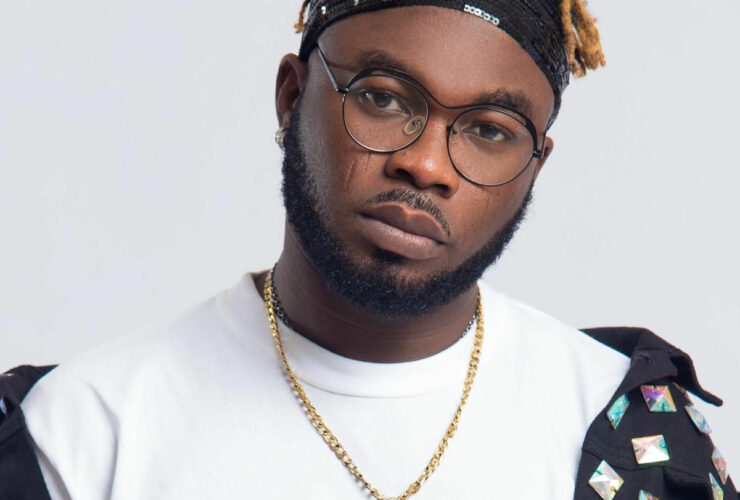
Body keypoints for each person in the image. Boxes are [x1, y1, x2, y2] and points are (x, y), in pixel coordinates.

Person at [0, 1, 736, 499]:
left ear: (534, 167)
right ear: (291, 97)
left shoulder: (626, 428)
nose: (427, 164)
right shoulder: (77, 434)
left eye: (489, 130)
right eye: (383, 98)